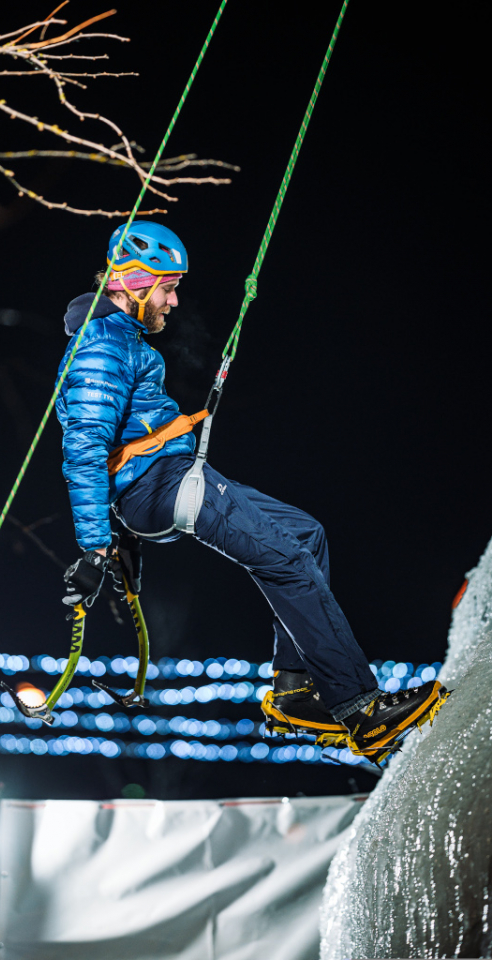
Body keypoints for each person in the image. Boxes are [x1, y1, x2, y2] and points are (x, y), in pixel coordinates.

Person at [56, 221, 448, 762]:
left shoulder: (122, 339)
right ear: (132, 282)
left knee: (305, 536)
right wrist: (97, 546)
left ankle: (293, 693)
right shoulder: (100, 346)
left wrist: (125, 534)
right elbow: (84, 446)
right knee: (286, 561)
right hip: (163, 485)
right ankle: (360, 707)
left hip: (163, 480)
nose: (173, 300)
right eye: (167, 287)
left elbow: (122, 440)